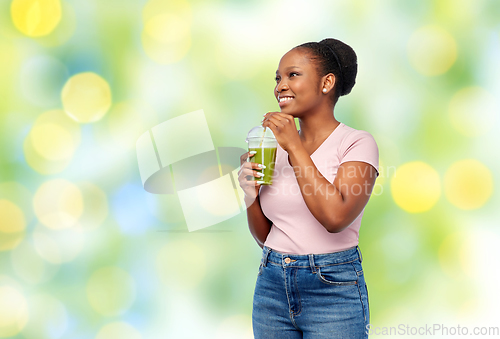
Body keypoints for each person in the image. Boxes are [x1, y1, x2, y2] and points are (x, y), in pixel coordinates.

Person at [238, 38, 379, 338]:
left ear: (327, 83)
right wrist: (250, 195)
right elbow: (267, 237)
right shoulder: (271, 146)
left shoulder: (356, 143)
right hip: (272, 284)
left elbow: (335, 218)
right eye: (277, 78)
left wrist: (294, 147)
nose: (280, 86)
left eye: (293, 75)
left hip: (332, 287)